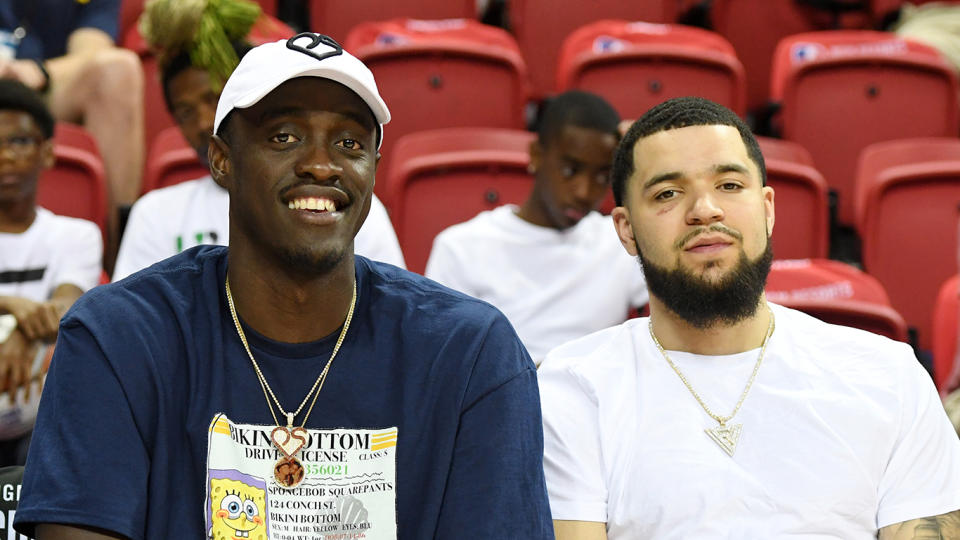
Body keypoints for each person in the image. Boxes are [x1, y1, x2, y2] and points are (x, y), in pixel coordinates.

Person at [14, 33, 553, 540]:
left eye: (349, 142)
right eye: (284, 136)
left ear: (373, 169)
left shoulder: (472, 353)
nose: (322, 165)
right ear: (222, 159)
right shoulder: (117, 338)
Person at [538, 96, 960, 539]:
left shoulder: (887, 374)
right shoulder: (573, 386)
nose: (705, 209)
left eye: (730, 185)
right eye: (668, 193)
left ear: (768, 208)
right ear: (626, 229)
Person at [113, 1, 404, 280]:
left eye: (213, 98)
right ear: (219, 156)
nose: (203, 122)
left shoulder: (345, 203)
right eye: (186, 112)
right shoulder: (156, 213)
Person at [425, 91, 647, 364]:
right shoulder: (461, 247)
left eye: (602, 175)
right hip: (498, 400)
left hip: (601, 400)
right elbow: (443, 360)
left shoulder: (620, 240)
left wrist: (653, 157)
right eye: (570, 170)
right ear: (536, 155)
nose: (584, 191)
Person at [0, 79, 102, 466]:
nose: (5, 156)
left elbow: (68, 308)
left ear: (46, 152)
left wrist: (25, 331)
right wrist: (13, 305)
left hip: (41, 424)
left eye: (19, 142)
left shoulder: (75, 234)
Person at [0, 0, 144, 212]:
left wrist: (40, 71)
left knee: (118, 70)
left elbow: (92, 49)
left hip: (38, 90)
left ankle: (120, 237)